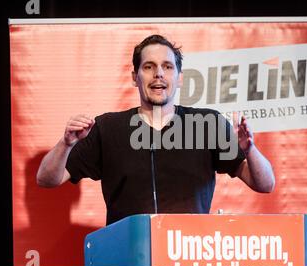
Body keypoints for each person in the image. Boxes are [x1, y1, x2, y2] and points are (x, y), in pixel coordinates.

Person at [37, 34, 275, 225]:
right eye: (149, 66)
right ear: (135, 77)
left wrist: (250, 150)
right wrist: (66, 144)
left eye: (167, 67)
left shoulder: (207, 124)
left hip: (187, 258)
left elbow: (265, 184)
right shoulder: (107, 128)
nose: (158, 73)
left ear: (180, 77)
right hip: (128, 256)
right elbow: (47, 179)